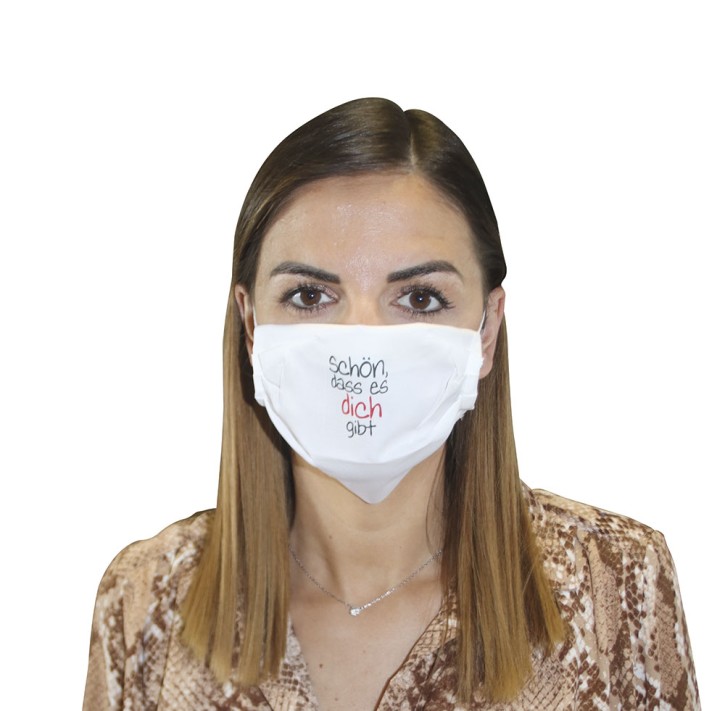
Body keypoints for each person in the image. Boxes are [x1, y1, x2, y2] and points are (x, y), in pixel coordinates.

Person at [83, 98, 699, 710]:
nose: (364, 343)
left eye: (420, 298)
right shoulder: (148, 600)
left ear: (486, 331)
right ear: (251, 326)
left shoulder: (614, 585)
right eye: (309, 295)